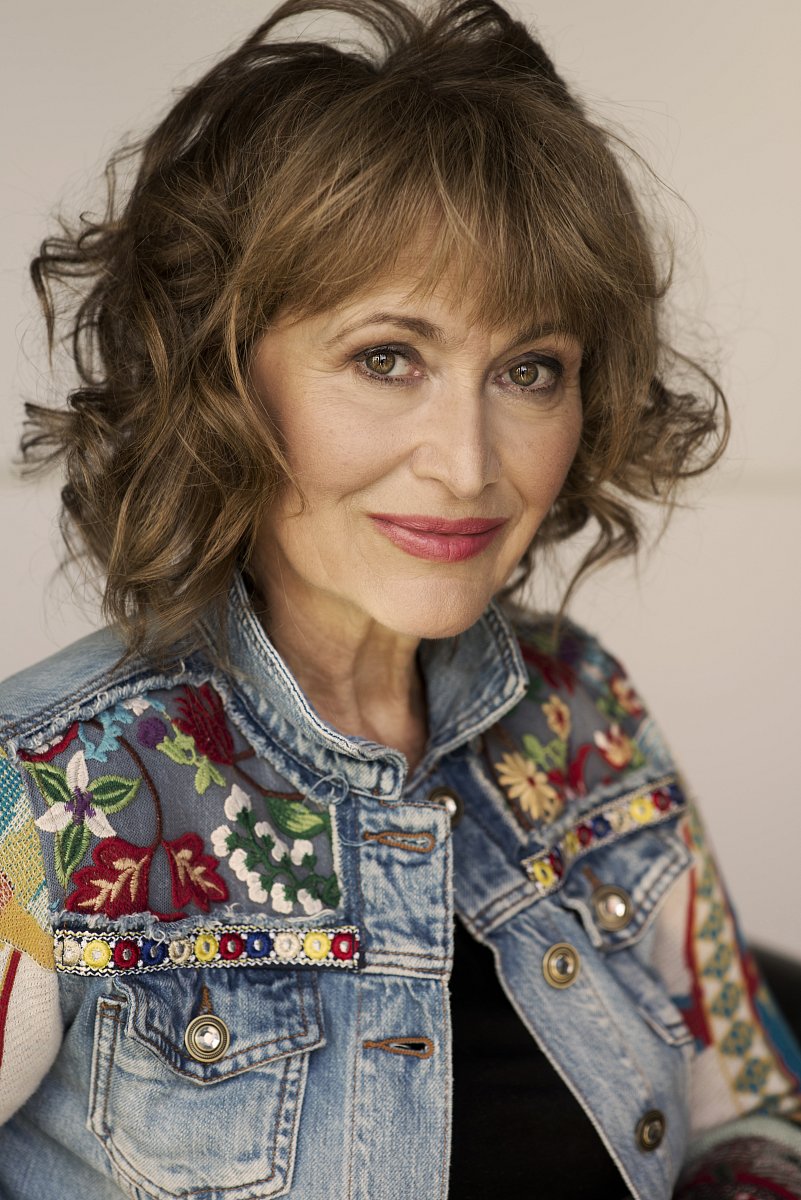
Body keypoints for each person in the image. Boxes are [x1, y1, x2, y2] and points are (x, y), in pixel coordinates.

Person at [0, 1, 799, 1196]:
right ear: (222, 377)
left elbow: (753, 1109)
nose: (469, 466)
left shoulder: (579, 707)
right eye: (387, 358)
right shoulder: (45, 799)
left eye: (529, 370)